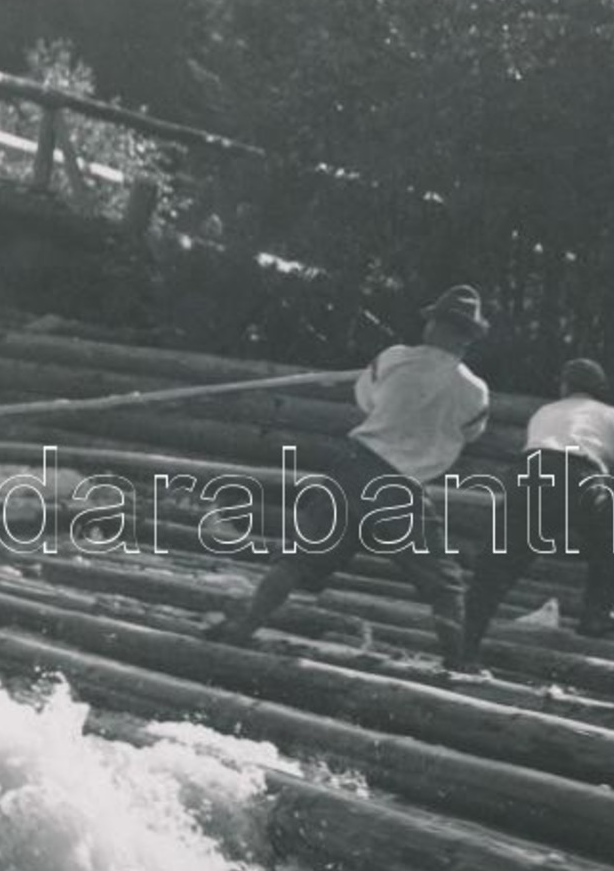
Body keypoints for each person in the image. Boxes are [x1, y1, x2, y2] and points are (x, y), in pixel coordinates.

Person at [205, 284, 493, 670]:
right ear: (468, 338)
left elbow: (367, 401)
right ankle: (460, 662)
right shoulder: (474, 392)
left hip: (357, 469)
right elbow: (471, 433)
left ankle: (245, 626)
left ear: (432, 327)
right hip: (400, 490)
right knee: (443, 583)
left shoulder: (393, 359)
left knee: (297, 558)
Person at [461, 357, 614, 667]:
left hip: (529, 473)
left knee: (495, 568)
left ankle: (464, 646)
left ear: (564, 387)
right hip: (582, 475)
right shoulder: (613, 416)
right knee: (610, 536)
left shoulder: (544, 412)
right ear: (599, 390)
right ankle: (596, 613)